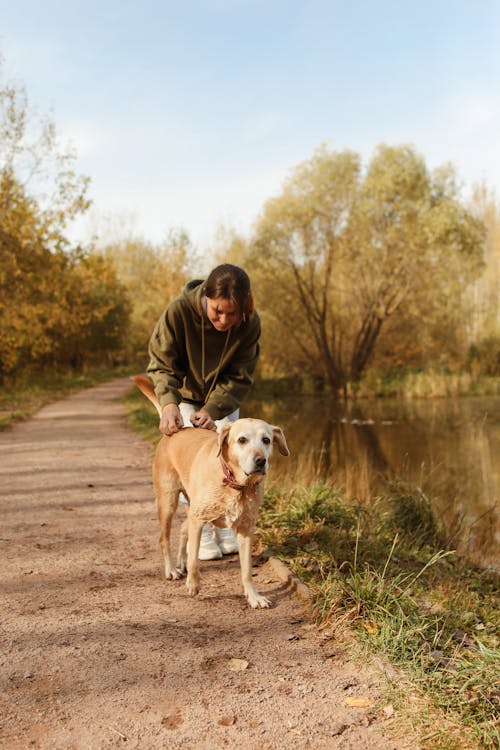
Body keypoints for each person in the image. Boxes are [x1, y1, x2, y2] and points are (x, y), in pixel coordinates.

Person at [147, 263, 261, 560]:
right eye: (216, 312)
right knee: (191, 463)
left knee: (228, 457)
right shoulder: (178, 312)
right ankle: (200, 523)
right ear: (205, 299)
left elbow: (240, 377)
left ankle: (224, 526)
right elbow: (162, 363)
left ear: (244, 307)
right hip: (182, 394)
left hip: (223, 399)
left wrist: (213, 409)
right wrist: (169, 403)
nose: (224, 320)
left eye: (232, 313)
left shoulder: (250, 323)